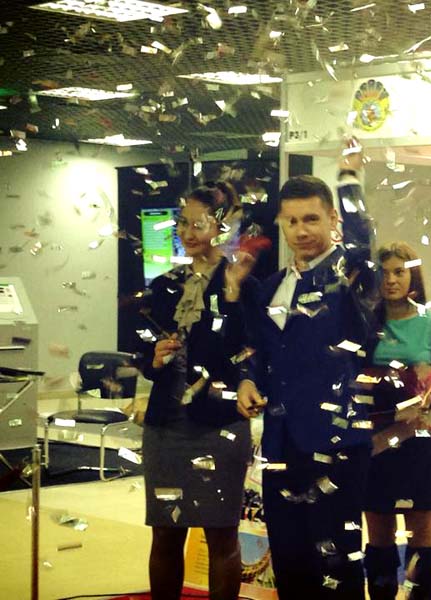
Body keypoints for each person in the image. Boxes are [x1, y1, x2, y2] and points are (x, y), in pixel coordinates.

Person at [231, 141, 379, 599]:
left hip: (336, 440)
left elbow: (362, 241)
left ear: (333, 220)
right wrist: (247, 378)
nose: (301, 231)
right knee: (290, 558)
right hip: (280, 441)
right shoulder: (271, 286)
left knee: (336, 561)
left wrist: (349, 180)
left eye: (312, 219)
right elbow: (257, 347)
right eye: (292, 221)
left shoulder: (351, 276)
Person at [137, 186, 253, 600]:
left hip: (218, 424)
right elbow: (140, 352)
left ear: (220, 227)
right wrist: (153, 359)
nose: (187, 232)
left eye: (198, 224)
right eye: (182, 223)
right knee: (165, 533)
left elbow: (249, 350)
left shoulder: (241, 282)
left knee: (221, 533)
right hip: (165, 426)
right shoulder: (163, 285)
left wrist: (233, 296)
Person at [363, 242, 431, 600]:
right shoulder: (365, 321)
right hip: (375, 439)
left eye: (399, 272)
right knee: (379, 537)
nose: (391, 280)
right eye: (384, 273)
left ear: (413, 275)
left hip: (418, 438)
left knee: (421, 538)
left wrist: (428, 393)